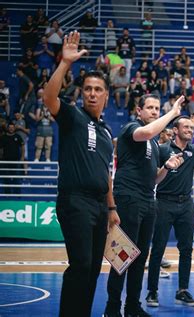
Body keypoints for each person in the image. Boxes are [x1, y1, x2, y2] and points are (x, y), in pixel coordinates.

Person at [43, 31, 121, 317]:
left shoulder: (106, 131)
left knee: (92, 271)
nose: (92, 93)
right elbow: (49, 96)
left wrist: (111, 207)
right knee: (81, 265)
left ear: (106, 96)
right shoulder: (72, 116)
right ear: (82, 92)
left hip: (100, 205)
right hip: (75, 201)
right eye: (87, 88)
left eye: (98, 89)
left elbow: (105, 172)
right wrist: (64, 63)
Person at [103, 94, 185, 317]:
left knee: (139, 258)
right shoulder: (132, 128)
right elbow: (147, 131)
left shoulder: (154, 144)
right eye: (149, 107)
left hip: (148, 200)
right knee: (122, 256)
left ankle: (132, 307)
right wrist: (173, 112)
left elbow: (155, 179)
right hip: (128, 199)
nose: (154, 111)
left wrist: (166, 167)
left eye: (157, 108)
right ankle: (111, 309)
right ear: (138, 111)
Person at [146, 116, 194, 308]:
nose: (190, 130)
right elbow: (153, 177)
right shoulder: (163, 149)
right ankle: (152, 292)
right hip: (164, 203)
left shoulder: (193, 149)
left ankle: (182, 291)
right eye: (186, 127)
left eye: (192, 127)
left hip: (186, 204)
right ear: (175, 130)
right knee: (158, 249)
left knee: (186, 250)